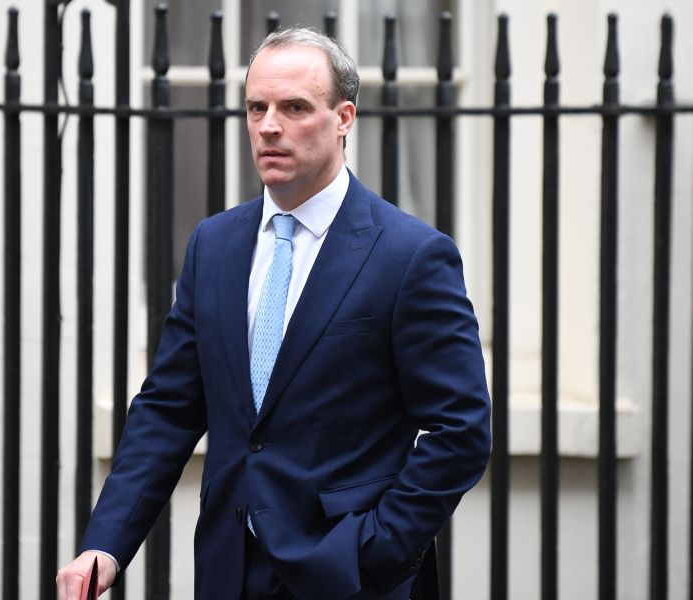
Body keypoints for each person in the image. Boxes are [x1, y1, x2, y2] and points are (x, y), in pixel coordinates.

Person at [57, 27, 490, 600]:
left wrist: (377, 550)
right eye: (256, 107)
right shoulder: (214, 245)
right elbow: (168, 407)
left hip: (349, 574)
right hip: (227, 570)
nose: (268, 126)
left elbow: (461, 429)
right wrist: (106, 544)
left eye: (294, 107)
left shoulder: (410, 256)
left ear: (344, 118)